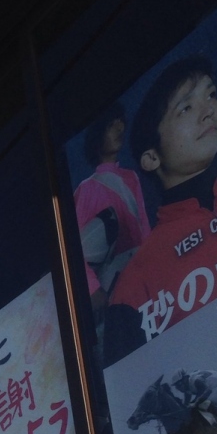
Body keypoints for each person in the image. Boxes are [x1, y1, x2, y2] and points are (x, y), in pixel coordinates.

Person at [105, 56, 217, 362]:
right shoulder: (134, 286)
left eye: (211, 94)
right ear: (151, 158)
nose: (208, 110)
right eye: (186, 108)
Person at [74, 103, 150, 306]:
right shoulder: (86, 189)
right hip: (115, 282)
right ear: (98, 136)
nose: (119, 128)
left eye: (120, 123)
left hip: (144, 271)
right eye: (110, 125)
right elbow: (74, 250)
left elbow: (144, 228)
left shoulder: (131, 177)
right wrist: (94, 290)